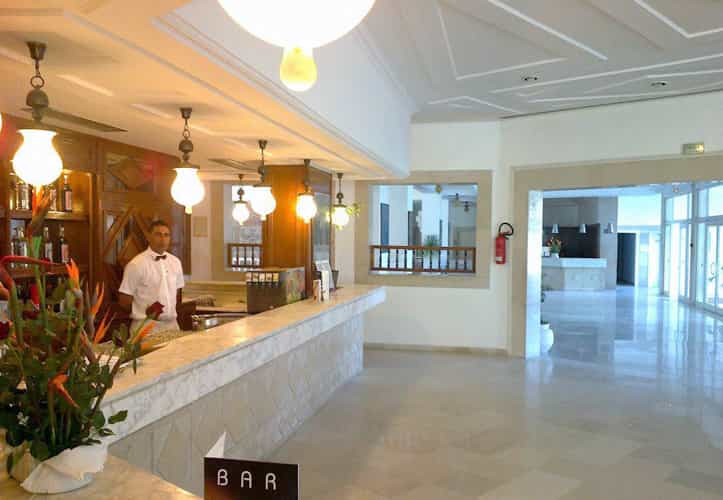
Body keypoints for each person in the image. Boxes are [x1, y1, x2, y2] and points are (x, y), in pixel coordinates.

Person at [119, 220, 185, 334]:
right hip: (146, 327)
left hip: (172, 325)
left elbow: (177, 293)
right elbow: (124, 299)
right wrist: (143, 311)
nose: (163, 239)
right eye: (158, 234)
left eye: (166, 235)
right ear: (148, 237)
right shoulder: (136, 264)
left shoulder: (176, 262)